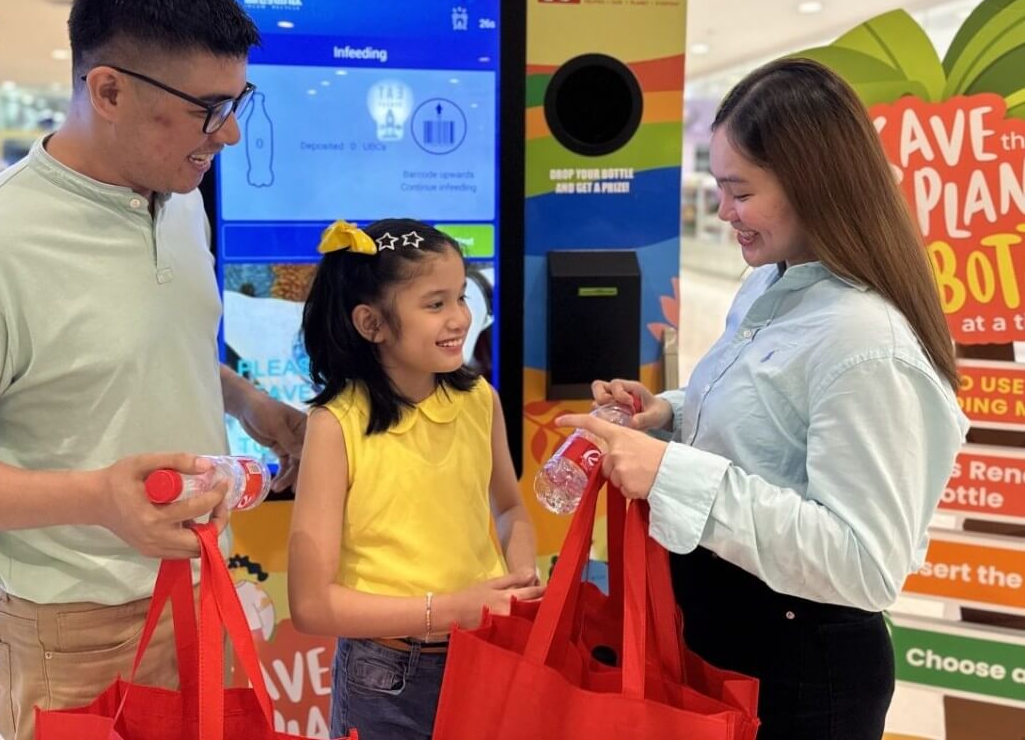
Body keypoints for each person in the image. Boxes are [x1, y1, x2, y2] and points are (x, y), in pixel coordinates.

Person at [0, 0, 306, 740]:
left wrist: (249, 402)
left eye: (240, 104)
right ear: (106, 89)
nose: (229, 135)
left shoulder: (176, 198)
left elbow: (130, 354)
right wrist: (96, 498)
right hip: (74, 629)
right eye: (210, 108)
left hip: (203, 584)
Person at [559, 58, 968, 740]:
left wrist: (670, 472)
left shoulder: (867, 341)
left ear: (811, 183)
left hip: (802, 675)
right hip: (726, 639)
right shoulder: (770, 285)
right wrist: (670, 413)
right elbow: (774, 415)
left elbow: (865, 562)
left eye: (738, 191)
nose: (722, 212)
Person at [287, 218, 544, 740]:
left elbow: (510, 509)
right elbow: (311, 604)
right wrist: (449, 610)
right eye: (435, 304)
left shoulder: (480, 401)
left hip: (488, 658)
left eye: (461, 298)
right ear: (371, 323)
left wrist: (520, 581)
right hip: (384, 679)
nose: (459, 319)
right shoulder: (336, 425)